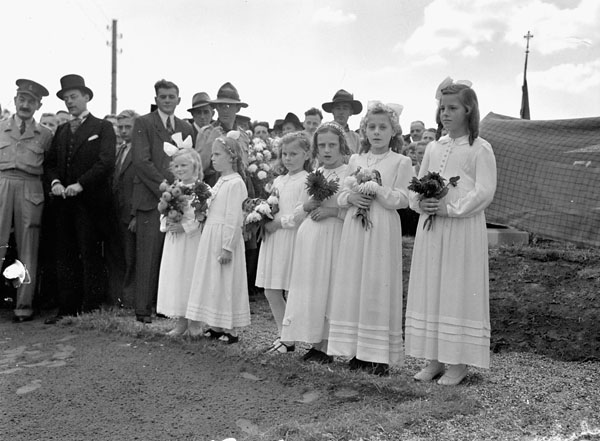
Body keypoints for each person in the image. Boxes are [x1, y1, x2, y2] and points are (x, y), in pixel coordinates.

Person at [405, 82, 497, 386]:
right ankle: (434, 360)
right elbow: (415, 187)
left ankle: (457, 363)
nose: (446, 113)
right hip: (433, 228)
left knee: (456, 289)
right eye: (442, 108)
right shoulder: (434, 147)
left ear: (468, 109)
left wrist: (452, 208)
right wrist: (423, 202)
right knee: (432, 287)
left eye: (453, 108)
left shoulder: (479, 148)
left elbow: (484, 191)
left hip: (461, 229)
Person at [326, 102, 413, 376]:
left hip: (382, 225)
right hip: (355, 223)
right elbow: (341, 194)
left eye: (382, 127)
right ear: (364, 130)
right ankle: (355, 349)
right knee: (354, 279)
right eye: (371, 127)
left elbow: (404, 198)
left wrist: (379, 191)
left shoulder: (401, 161)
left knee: (376, 280)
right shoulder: (355, 160)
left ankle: (376, 355)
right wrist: (351, 197)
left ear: (393, 130)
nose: (376, 132)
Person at [44, 74, 116, 324]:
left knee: (89, 253)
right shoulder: (62, 130)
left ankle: (90, 308)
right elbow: (51, 163)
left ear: (86, 97)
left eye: (73, 97)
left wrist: (80, 184)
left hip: (91, 204)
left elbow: (106, 162)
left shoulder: (102, 127)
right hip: (64, 204)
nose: (69, 102)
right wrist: (55, 183)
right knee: (65, 255)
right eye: (66, 98)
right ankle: (67, 308)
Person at [280, 122, 351, 362]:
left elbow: (351, 209)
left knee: (328, 286)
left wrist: (331, 212)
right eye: (322, 146)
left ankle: (327, 344)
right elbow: (299, 209)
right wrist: (307, 206)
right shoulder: (314, 175)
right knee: (311, 287)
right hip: (310, 237)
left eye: (332, 145)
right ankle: (315, 340)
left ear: (342, 146)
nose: (327, 150)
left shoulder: (349, 173)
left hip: (333, 236)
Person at [131, 79, 194, 323]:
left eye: (172, 96)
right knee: (148, 252)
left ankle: (165, 306)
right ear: (156, 99)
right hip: (152, 195)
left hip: (179, 197)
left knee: (173, 254)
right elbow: (141, 161)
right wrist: (165, 187)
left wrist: (183, 189)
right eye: (163, 96)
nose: (167, 100)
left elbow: (191, 160)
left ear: (179, 99)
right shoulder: (144, 123)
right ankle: (143, 309)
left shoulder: (185, 128)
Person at [185, 135, 250, 343]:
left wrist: (228, 247)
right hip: (211, 234)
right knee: (214, 280)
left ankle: (230, 329)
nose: (212, 158)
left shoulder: (236, 183)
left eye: (217, 154)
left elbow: (234, 217)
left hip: (223, 236)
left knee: (226, 281)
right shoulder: (220, 180)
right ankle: (215, 324)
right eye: (212, 154)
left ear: (231, 157)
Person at [0, 79, 53, 322]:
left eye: (31, 101)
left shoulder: (45, 134)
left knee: (28, 247)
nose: (25, 105)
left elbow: (49, 167)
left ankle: (24, 305)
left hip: (31, 187)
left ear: (38, 105)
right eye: (22, 99)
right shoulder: (1, 127)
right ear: (15, 100)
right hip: (2, 184)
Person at [256, 132, 312, 353]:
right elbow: (273, 205)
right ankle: (284, 334)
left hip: (291, 238)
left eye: (294, 154)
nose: (288, 158)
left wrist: (279, 223)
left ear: (306, 154)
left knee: (290, 289)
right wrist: (262, 217)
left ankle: (289, 338)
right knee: (271, 289)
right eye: (285, 154)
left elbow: (301, 213)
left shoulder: (307, 179)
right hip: (274, 239)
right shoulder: (279, 180)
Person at [156, 148, 204, 337]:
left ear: (195, 166)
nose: (180, 169)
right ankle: (181, 322)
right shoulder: (172, 188)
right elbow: (163, 210)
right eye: (176, 166)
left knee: (191, 277)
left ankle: (196, 322)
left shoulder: (201, 189)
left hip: (192, 241)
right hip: (175, 241)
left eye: (184, 165)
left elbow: (202, 216)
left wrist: (185, 227)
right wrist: (166, 223)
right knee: (177, 278)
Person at [109, 109, 140, 308]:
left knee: (132, 259)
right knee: (121, 257)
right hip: (118, 212)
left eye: (128, 127)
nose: (123, 131)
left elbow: (140, 184)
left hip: (132, 213)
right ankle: (120, 298)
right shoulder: (121, 149)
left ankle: (130, 300)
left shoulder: (140, 150)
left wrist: (136, 214)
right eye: (120, 127)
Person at [195, 82, 251, 187]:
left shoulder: (243, 136)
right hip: (213, 190)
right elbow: (197, 169)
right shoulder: (206, 132)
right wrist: (210, 142)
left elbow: (245, 167)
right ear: (216, 108)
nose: (225, 110)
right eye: (221, 105)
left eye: (229, 106)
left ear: (237, 108)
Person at [322, 89, 362, 154]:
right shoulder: (323, 133)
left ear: (351, 112)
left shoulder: (356, 138)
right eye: (338, 108)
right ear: (333, 111)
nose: (341, 112)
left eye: (345, 108)